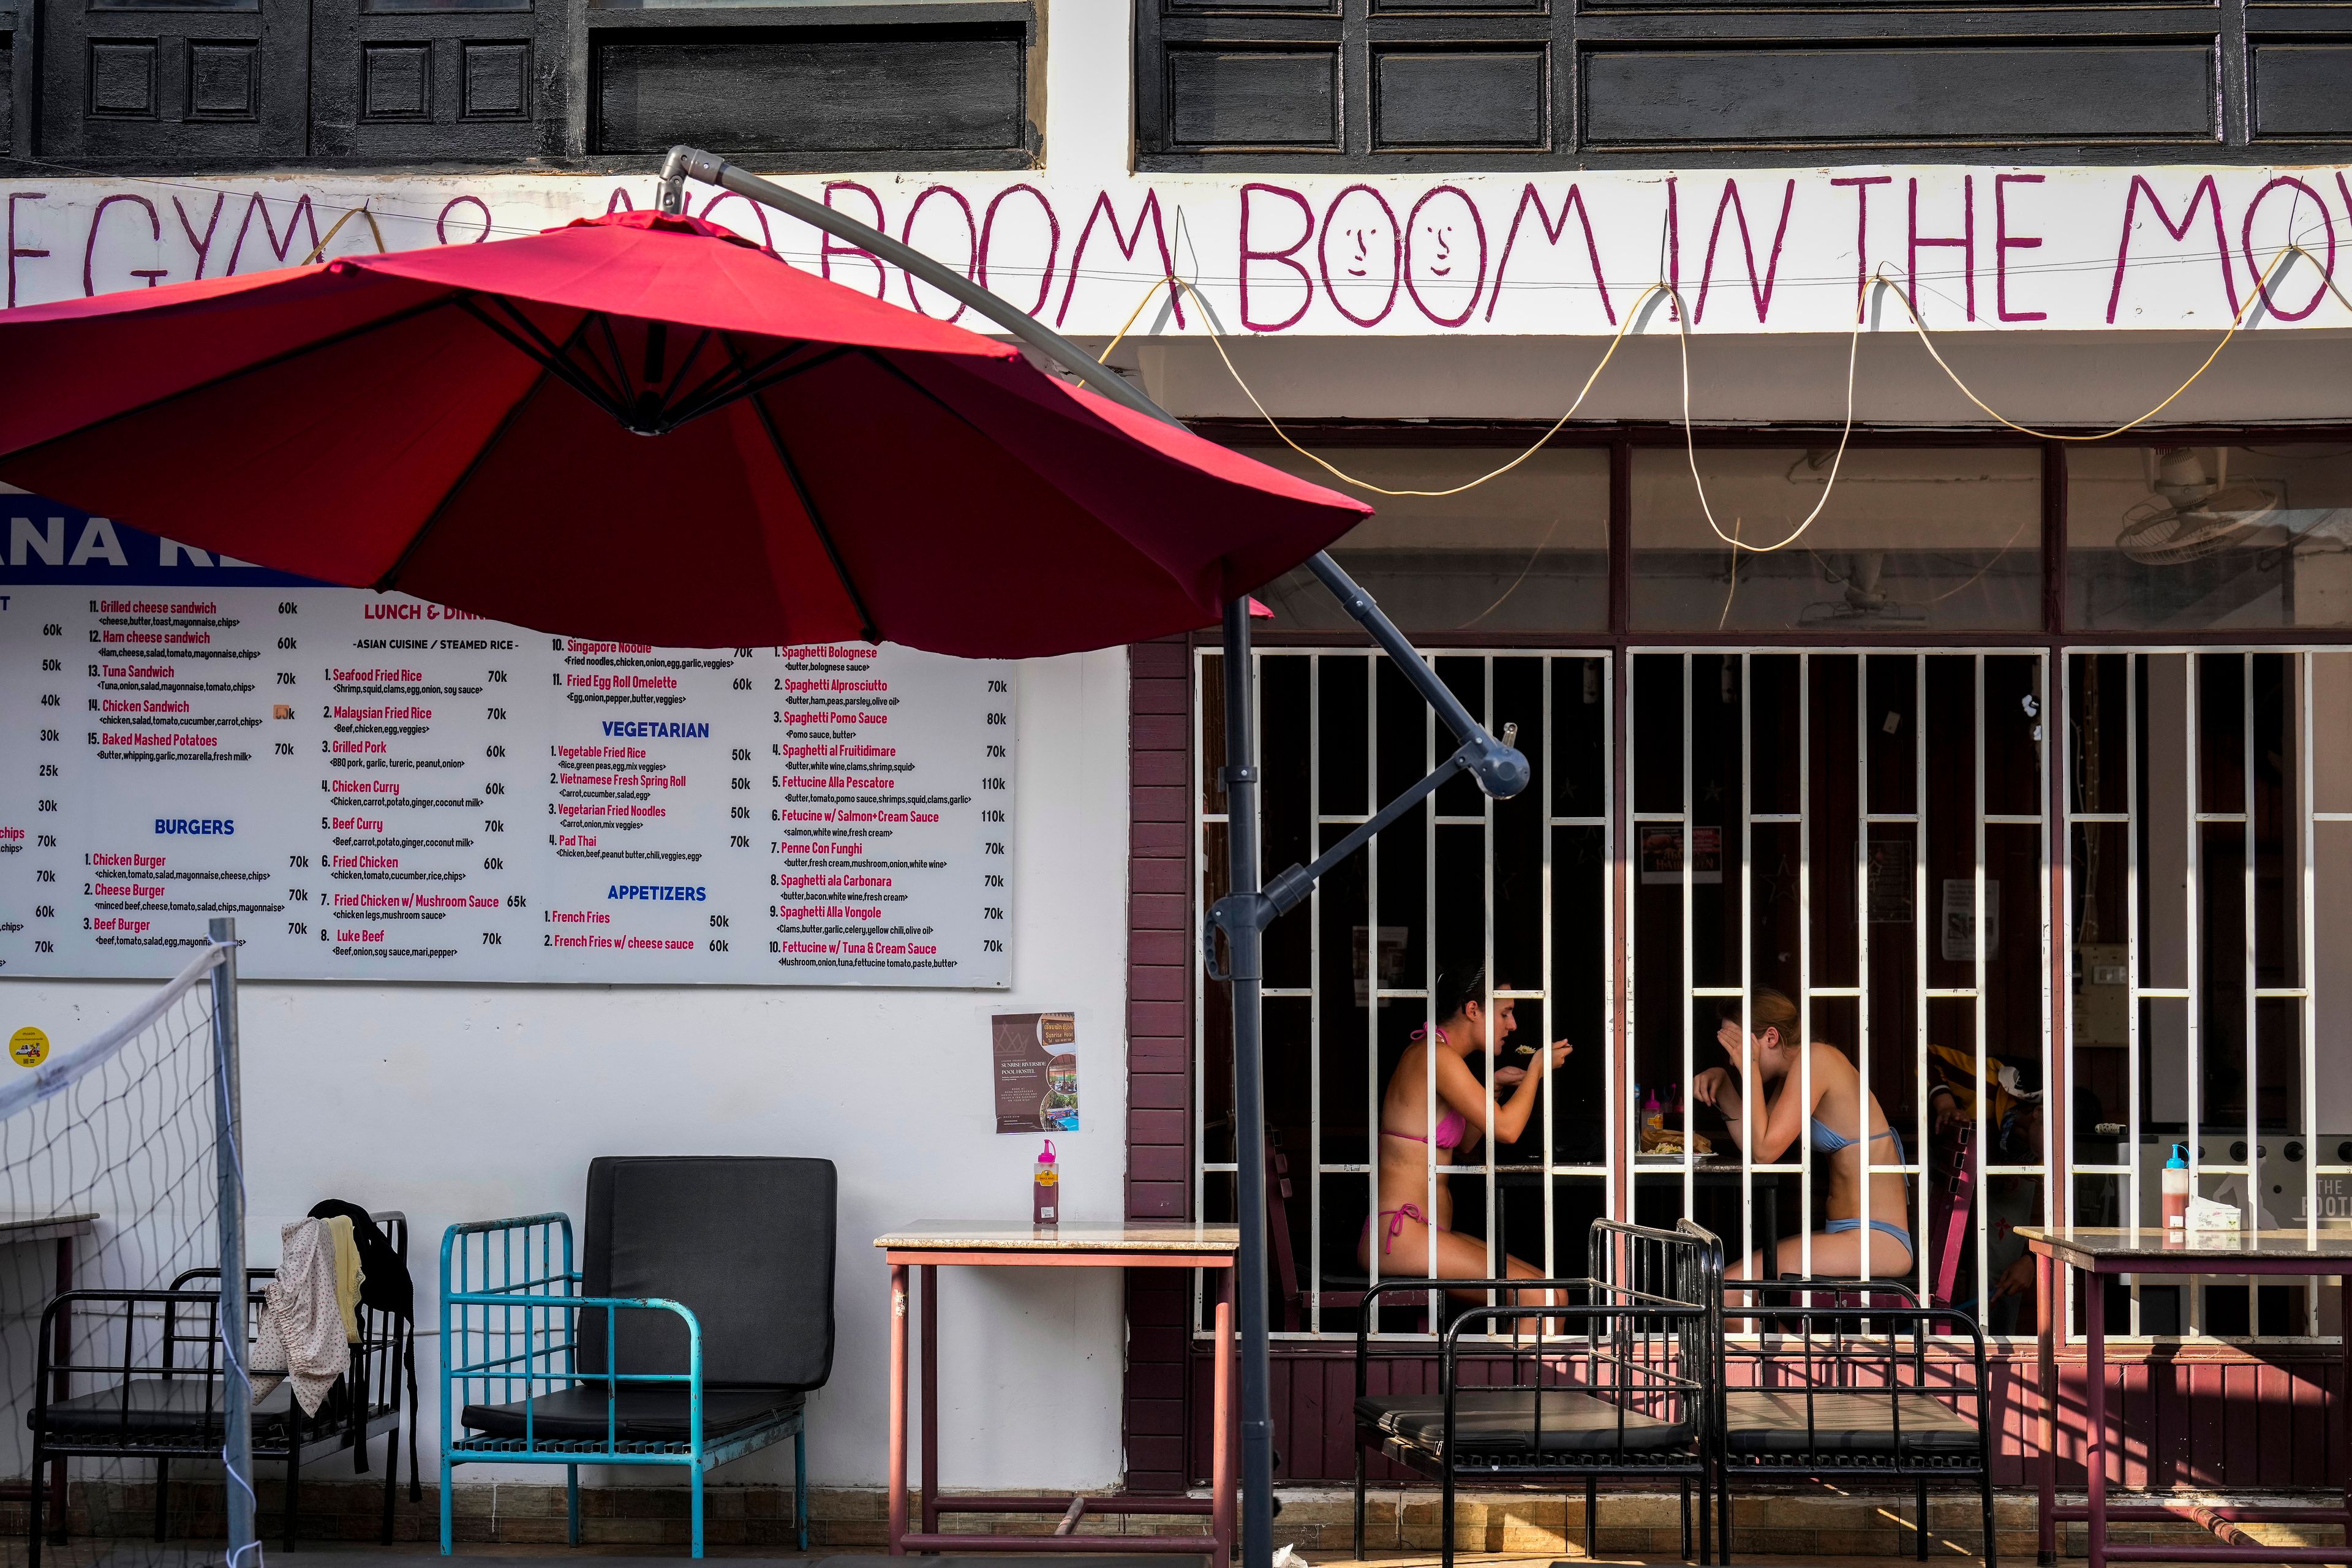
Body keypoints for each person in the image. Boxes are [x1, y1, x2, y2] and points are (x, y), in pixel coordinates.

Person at [1358, 965, 1573, 1300]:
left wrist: (1496, 1086)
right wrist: (1536, 1072)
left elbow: (1467, 1143)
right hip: (1401, 1236)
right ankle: (1526, 1357)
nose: (1513, 1025)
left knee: (1555, 1292)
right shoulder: (1436, 1056)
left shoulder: (1439, 1055)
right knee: (1538, 1298)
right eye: (1505, 1013)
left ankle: (1524, 1356)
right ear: (1473, 1010)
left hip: (1424, 1235)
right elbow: (1507, 1130)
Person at [1692, 988, 1914, 1283]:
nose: (1735, 1061)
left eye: (1737, 1047)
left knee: (1726, 1291)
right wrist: (1725, 1087)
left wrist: (1752, 1069)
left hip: (1879, 1239)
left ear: (1770, 1038)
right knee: (1723, 1286)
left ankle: (1781, 1333)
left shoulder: (1816, 1060)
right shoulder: (1795, 1072)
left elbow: (1764, 1153)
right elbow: (1756, 1145)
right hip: (1850, 1234)